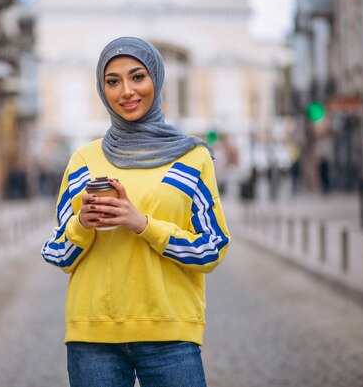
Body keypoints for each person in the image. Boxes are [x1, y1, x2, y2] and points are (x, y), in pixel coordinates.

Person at [41, 37, 231, 387]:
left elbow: (212, 248)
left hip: (172, 335)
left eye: (137, 77)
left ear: (156, 81)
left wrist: (141, 223)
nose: (126, 91)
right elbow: (59, 254)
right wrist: (83, 223)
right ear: (102, 90)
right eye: (112, 81)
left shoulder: (191, 157)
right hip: (92, 339)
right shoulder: (84, 160)